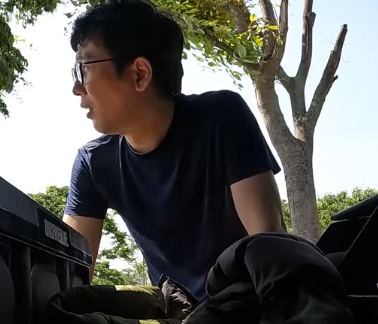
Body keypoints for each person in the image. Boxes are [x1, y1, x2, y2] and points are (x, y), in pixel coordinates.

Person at [64, 0, 286, 300]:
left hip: (251, 305)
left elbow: (269, 245)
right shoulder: (94, 163)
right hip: (181, 317)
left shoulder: (221, 117)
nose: (76, 88)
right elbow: (69, 275)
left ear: (140, 73)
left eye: (84, 68)